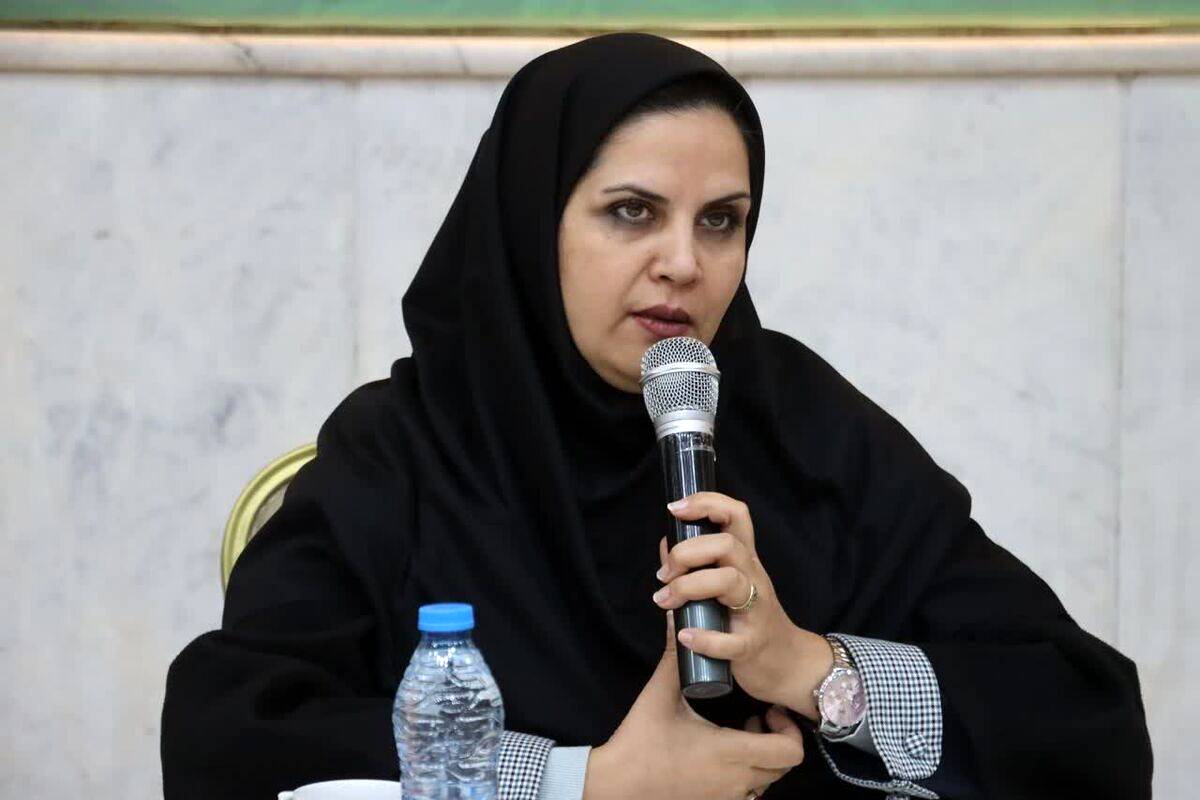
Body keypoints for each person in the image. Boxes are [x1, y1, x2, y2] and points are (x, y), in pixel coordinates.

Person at [161, 33, 1153, 799]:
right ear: (533, 221)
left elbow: (1086, 718)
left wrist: (808, 665)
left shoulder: (801, 425)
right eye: (632, 211)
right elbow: (230, 735)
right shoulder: (405, 448)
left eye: (722, 220)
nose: (685, 261)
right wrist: (585, 782)